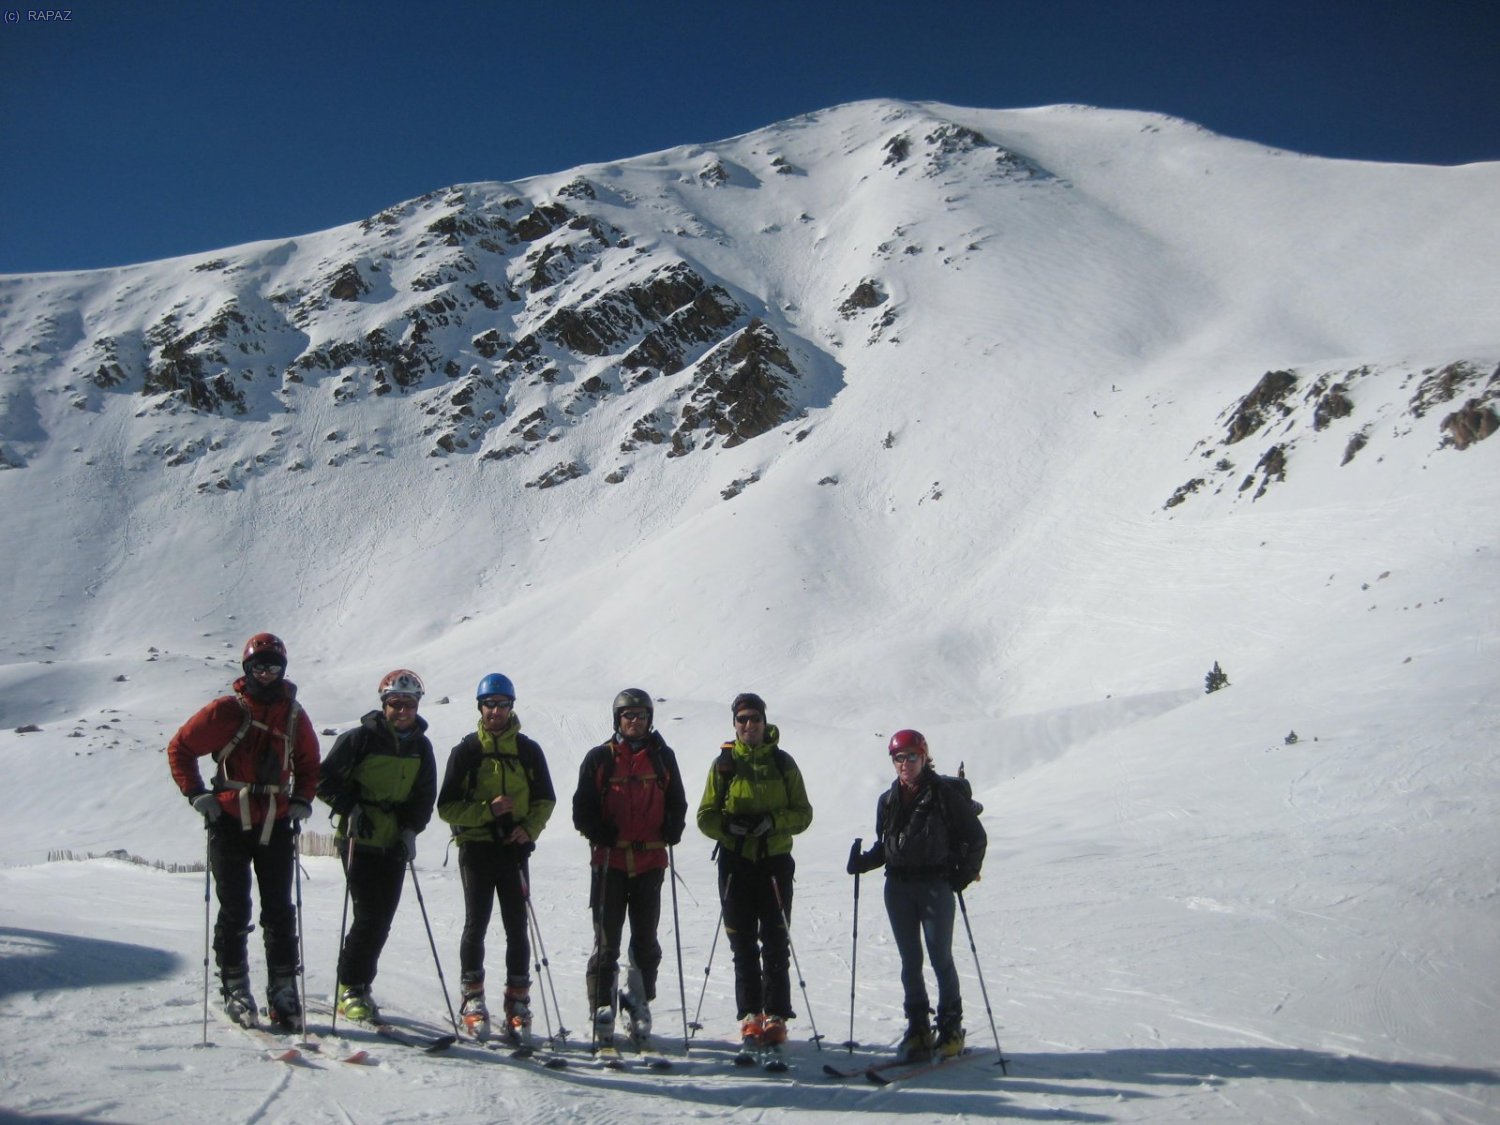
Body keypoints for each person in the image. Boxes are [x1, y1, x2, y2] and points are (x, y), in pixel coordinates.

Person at [167, 632, 320, 1030]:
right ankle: (235, 986)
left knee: (279, 910)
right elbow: (181, 748)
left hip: (275, 821)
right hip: (230, 821)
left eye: (273, 667)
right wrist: (196, 794)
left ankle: (283, 989)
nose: (266, 674)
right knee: (235, 908)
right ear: (247, 668)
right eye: (259, 666)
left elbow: (309, 763)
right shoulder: (226, 711)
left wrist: (303, 798)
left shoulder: (293, 715)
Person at [847, 729, 987, 1061]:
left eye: (912, 756)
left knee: (940, 958)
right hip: (897, 887)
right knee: (910, 961)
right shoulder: (888, 800)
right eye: (899, 757)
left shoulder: (944, 796)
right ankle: (919, 1028)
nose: (905, 763)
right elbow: (887, 845)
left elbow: (976, 837)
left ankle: (950, 1029)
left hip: (935, 885)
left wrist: (963, 875)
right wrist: (864, 862)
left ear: (924, 758)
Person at [437, 673, 556, 1042]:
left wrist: (529, 829)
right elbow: (446, 807)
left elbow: (545, 799)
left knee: (517, 926)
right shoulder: (467, 752)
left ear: (511, 707)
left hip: (513, 849)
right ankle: (472, 998)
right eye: (490, 704)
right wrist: (487, 811)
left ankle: (517, 1001)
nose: (496, 711)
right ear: (480, 707)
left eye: (502, 704)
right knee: (477, 923)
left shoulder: (528, 751)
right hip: (476, 848)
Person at [316, 669, 437, 1023]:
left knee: (382, 920)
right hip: (359, 838)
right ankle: (350, 987)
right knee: (368, 916)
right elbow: (322, 780)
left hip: (393, 842)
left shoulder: (421, 746)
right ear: (384, 705)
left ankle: (360, 984)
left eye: (409, 704)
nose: (403, 711)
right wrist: (349, 807)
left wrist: (411, 830)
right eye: (396, 704)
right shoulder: (360, 739)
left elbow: (424, 795)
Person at [696, 692, 813, 1052]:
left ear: (765, 721)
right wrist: (729, 827)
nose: (749, 725)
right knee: (742, 943)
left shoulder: (782, 762)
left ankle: (776, 1016)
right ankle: (750, 1015)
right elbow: (704, 816)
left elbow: (803, 813)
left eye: (755, 718)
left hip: (774, 861)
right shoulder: (724, 764)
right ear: (734, 723)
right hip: (736, 862)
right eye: (743, 719)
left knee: (776, 941)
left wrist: (772, 822)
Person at [571, 688, 688, 1045]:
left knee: (646, 939)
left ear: (650, 719)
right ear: (617, 719)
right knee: (607, 940)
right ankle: (601, 1005)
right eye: (628, 715)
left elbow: (677, 801)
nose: (635, 721)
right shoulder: (600, 758)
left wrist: (674, 826)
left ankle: (638, 999)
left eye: (641, 715)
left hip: (650, 860)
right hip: (610, 861)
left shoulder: (663, 758)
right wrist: (597, 830)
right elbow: (582, 808)